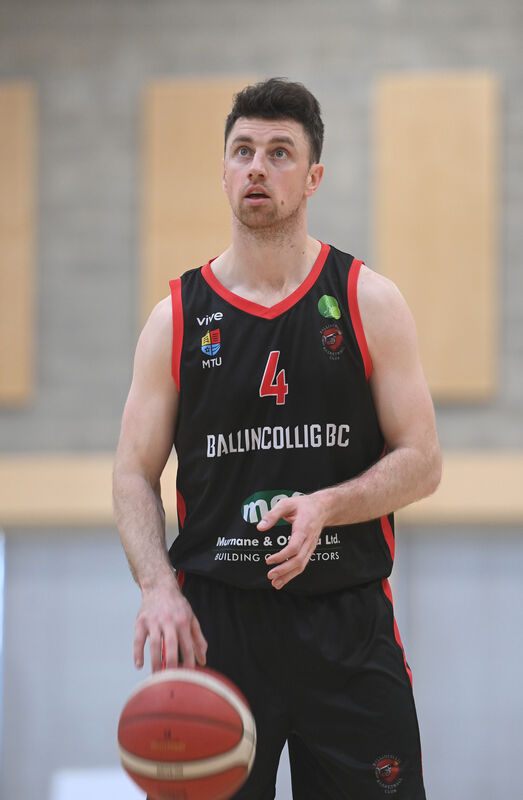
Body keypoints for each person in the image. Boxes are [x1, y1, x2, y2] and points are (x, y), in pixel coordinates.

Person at [113, 77, 442, 799]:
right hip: (216, 627)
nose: (257, 166)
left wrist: (329, 504)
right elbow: (134, 473)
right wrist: (157, 588)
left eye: (279, 152)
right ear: (224, 170)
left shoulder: (366, 300)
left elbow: (421, 462)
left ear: (313, 176)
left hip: (345, 619)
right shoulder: (175, 317)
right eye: (243, 151)